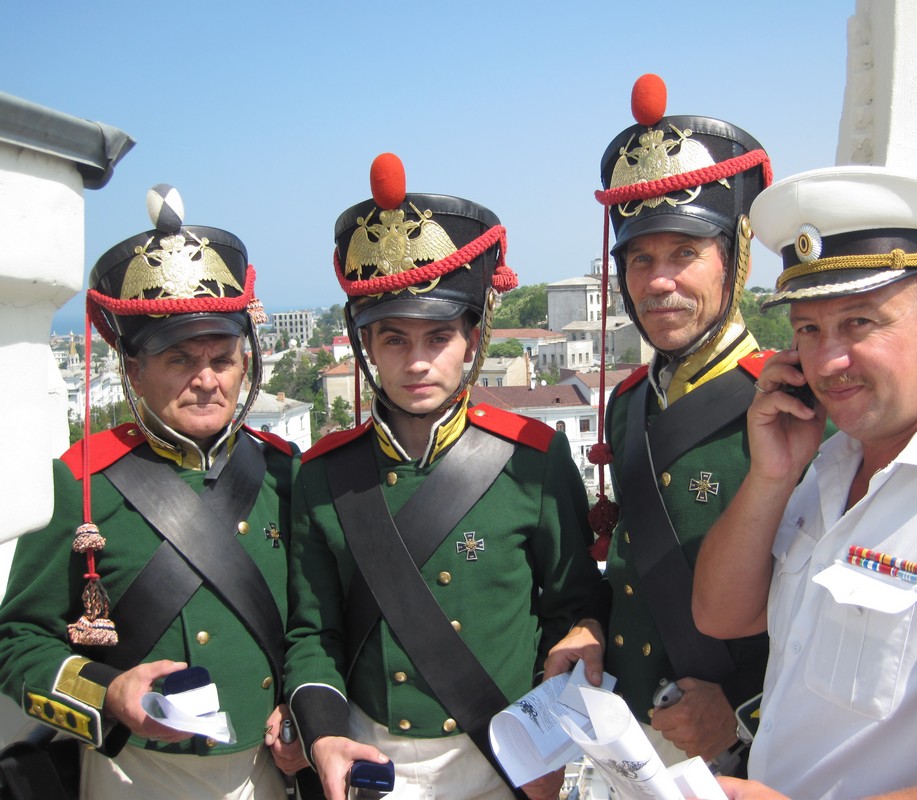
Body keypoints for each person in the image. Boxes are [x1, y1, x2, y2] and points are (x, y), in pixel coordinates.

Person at [692, 166, 917, 798]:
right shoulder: (831, 465)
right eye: (808, 329)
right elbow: (721, 615)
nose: (828, 362)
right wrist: (770, 476)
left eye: (859, 323)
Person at [283, 153, 602, 800]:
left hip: (504, 761)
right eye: (394, 339)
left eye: (438, 337)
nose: (418, 362)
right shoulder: (323, 475)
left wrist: (551, 748)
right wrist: (322, 733)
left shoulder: (533, 459)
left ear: (472, 340)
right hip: (371, 762)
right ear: (367, 348)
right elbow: (313, 633)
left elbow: (573, 611)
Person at [0, 185, 310, 798]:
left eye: (222, 358)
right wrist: (107, 693)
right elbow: (16, 643)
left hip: (265, 773)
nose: (206, 380)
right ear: (134, 372)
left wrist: (303, 707)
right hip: (133, 776)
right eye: (179, 359)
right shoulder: (80, 484)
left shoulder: (285, 472)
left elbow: (315, 623)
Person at [542, 73, 774, 772]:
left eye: (684, 254)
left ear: (736, 257)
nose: (658, 281)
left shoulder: (791, 406)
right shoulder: (629, 402)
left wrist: (744, 710)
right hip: (628, 735)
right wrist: (591, 623)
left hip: (740, 753)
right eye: (640, 258)